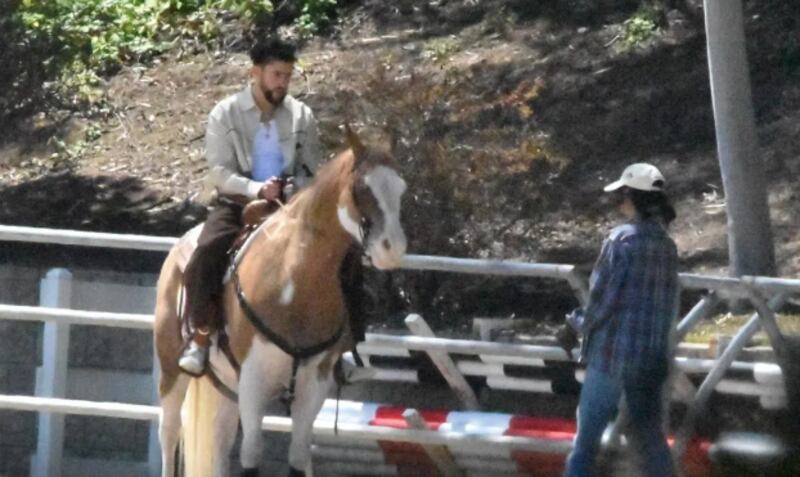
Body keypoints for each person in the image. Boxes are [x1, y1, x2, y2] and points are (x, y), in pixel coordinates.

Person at [179, 38, 368, 376]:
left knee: (347, 255)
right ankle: (201, 336)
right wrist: (256, 189)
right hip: (238, 202)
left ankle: (348, 347)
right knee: (207, 251)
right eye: (277, 74)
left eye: (287, 75)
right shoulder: (225, 113)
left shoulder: (301, 115)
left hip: (292, 206)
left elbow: (311, 168)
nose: (283, 82)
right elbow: (220, 171)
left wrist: (294, 188)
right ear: (255, 73)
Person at [560, 163, 679, 477]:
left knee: (586, 442)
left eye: (621, 196)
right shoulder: (667, 247)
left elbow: (602, 303)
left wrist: (573, 325)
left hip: (611, 356)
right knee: (651, 439)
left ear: (631, 197)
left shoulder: (620, 241)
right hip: (650, 360)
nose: (618, 204)